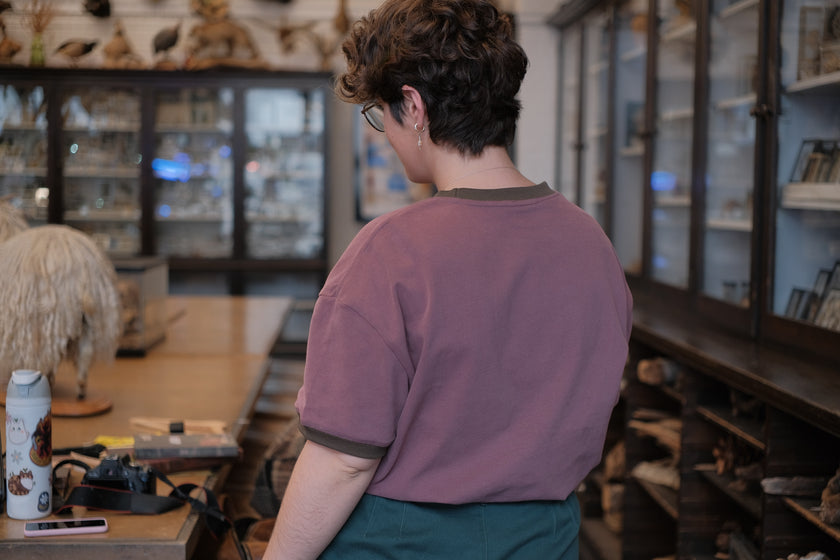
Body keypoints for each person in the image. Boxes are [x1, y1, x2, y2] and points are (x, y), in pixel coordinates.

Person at [265, 0, 633, 558]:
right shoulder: (592, 244)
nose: (383, 132)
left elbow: (343, 458)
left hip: (401, 545)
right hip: (545, 541)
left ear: (413, 105)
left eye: (379, 114)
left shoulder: (390, 251)